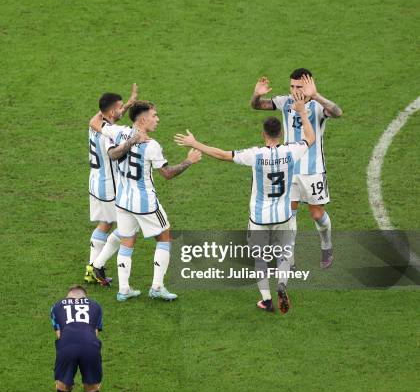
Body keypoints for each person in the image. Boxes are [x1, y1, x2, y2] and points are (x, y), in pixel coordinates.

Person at [175, 91, 315, 313]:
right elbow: (310, 137)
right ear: (280, 133)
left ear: (263, 134)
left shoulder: (255, 154)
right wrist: (302, 114)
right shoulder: (291, 151)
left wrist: (195, 143)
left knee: (259, 257)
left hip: (259, 216)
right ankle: (282, 284)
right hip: (284, 214)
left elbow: (222, 155)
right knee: (286, 252)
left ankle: (267, 300)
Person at [99, 101, 201, 302]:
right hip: (145, 204)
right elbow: (168, 174)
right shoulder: (151, 146)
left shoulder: (119, 134)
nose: (158, 119)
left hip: (123, 202)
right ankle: (157, 287)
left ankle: (124, 290)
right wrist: (190, 160)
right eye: (154, 115)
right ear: (143, 119)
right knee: (165, 237)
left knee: (127, 242)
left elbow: (98, 125)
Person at [250, 69, 343, 268]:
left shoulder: (318, 106)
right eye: (292, 86)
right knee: (289, 215)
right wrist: (257, 94)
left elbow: (337, 112)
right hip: (289, 169)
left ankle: (326, 245)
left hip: (313, 170)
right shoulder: (286, 102)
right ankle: (288, 257)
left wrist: (316, 94)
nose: (294, 90)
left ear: (309, 85)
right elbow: (257, 105)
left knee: (317, 215)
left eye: (299, 86)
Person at [84, 87, 142, 286]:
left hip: (95, 182)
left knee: (106, 223)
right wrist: (131, 143)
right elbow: (114, 153)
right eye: (119, 107)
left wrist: (129, 103)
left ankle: (91, 268)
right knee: (131, 224)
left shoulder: (96, 124)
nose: (122, 110)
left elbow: (110, 118)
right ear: (110, 112)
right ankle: (97, 266)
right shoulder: (108, 135)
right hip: (110, 187)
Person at [50, 285, 103, 392]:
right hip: (90, 346)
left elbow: (59, 334)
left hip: (66, 345)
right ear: (84, 296)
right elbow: (95, 333)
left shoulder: (56, 306)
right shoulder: (96, 306)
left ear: (68, 296)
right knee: (92, 386)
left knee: (63, 384)